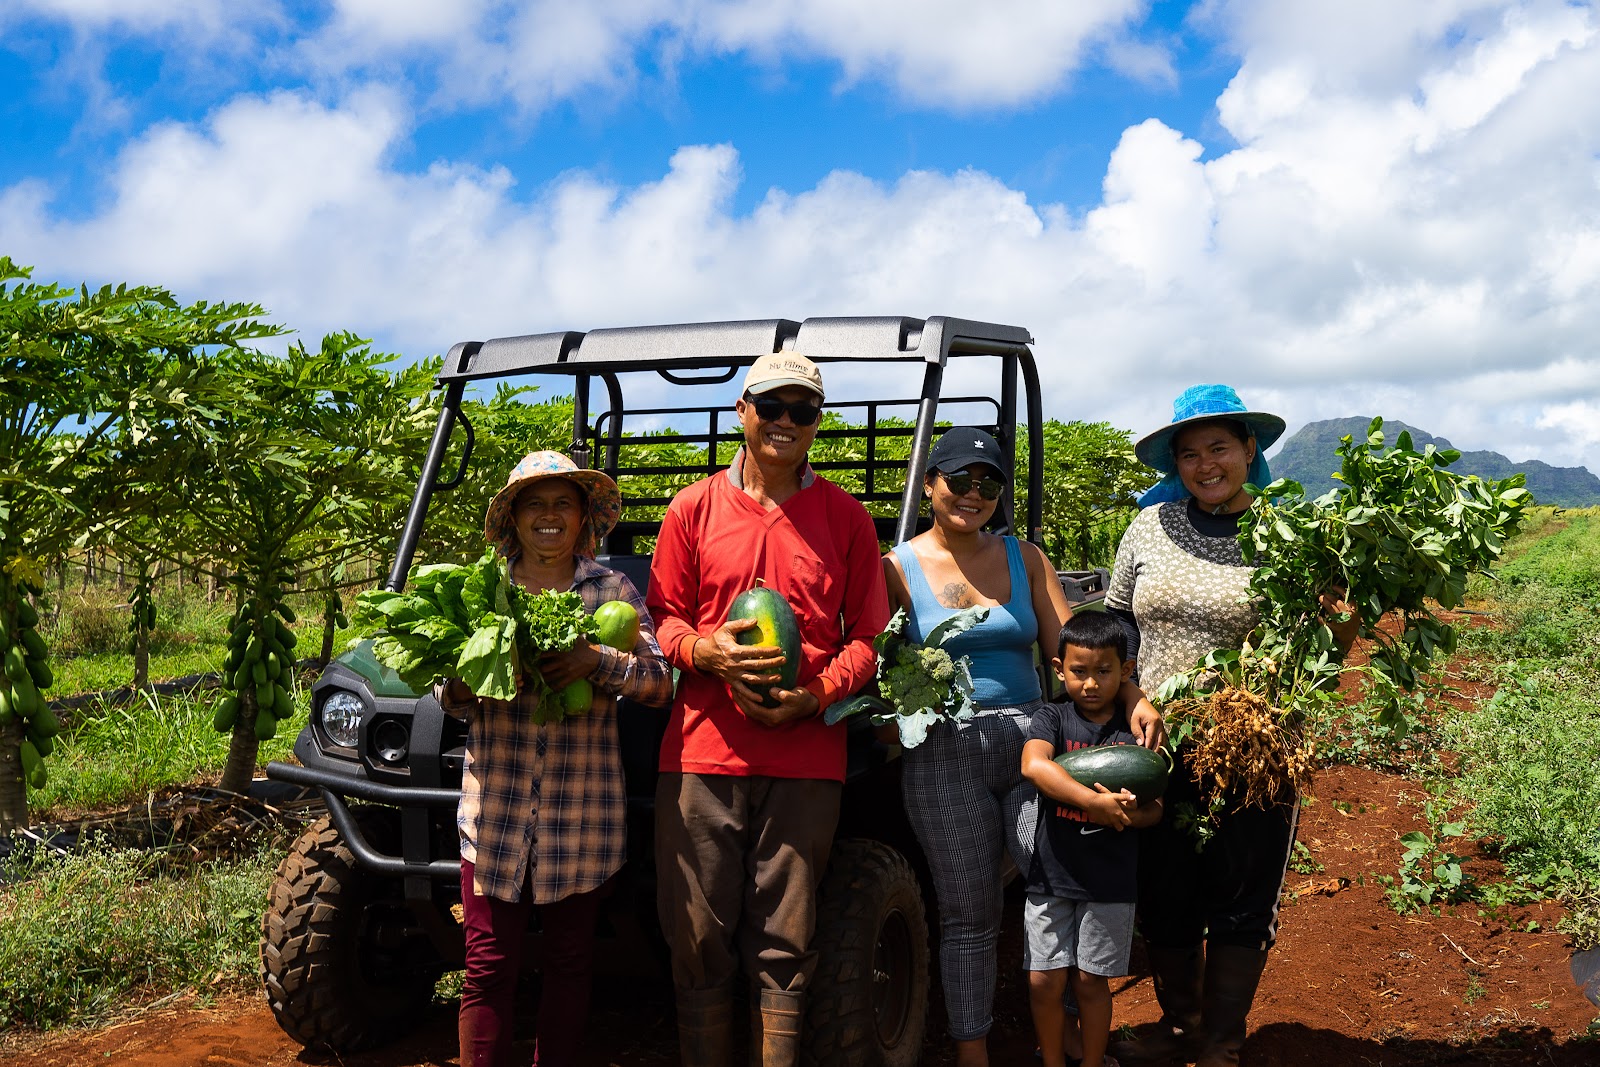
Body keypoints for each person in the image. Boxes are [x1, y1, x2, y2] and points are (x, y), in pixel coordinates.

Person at [881, 426, 1164, 1067]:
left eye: (989, 484)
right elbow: (883, 662)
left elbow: (1076, 652)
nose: (974, 494)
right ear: (930, 486)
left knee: (1058, 879)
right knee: (968, 908)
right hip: (944, 748)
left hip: (1031, 737)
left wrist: (1134, 693)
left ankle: (1064, 1032)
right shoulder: (895, 569)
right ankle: (972, 1048)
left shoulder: (1024, 558)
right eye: (959, 480)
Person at [646, 352, 890, 1067]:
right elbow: (662, 617)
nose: (787, 422)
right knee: (695, 931)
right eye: (773, 406)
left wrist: (814, 697)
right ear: (742, 412)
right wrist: (707, 654)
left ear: (817, 424)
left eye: (803, 410)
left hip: (806, 755)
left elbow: (868, 638)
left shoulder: (845, 517)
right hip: (701, 751)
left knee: (786, 936)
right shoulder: (692, 508)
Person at [1104, 384, 1349, 1067]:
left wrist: (1342, 610)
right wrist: (1131, 691)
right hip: (1160, 742)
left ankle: (1221, 1040)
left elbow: (1328, 644)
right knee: (1164, 888)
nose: (1206, 464)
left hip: (1255, 746)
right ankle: (1180, 1024)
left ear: (1249, 449)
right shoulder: (1148, 527)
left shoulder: (1291, 534)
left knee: (1243, 891)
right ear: (1173, 464)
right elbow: (1117, 619)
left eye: (1219, 448)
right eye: (1189, 453)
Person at [437, 451, 674, 1067]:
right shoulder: (482, 588)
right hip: (495, 815)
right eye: (533, 504)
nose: (548, 517)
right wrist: (471, 680)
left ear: (582, 519)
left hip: (582, 816)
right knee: (487, 966)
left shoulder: (610, 591)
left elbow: (658, 683)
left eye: (561, 504)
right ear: (512, 519)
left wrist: (595, 663)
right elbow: (444, 690)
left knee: (571, 964)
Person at [1019, 611, 1164, 1067]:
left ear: (1126, 671)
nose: (1091, 683)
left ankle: (1094, 1060)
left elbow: (1155, 806)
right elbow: (1034, 766)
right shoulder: (1052, 717)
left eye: (1104, 671)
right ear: (1059, 669)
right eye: (1079, 672)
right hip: (1051, 877)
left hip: (1109, 882)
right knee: (1044, 979)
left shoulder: (1133, 733)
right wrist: (1092, 803)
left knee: (1089, 981)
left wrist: (1129, 815)